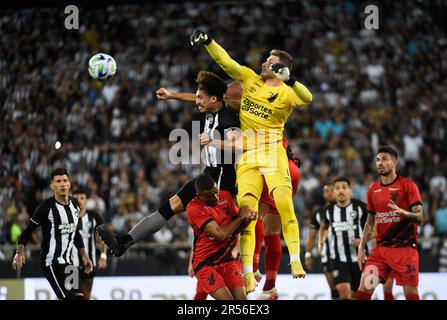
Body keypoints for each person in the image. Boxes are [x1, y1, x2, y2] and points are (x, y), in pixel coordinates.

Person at [191, 29, 312, 292]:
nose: (263, 62)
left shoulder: (288, 92)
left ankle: (296, 261)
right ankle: (248, 273)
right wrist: (209, 41)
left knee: (284, 205)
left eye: (269, 60)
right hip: (247, 156)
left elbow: (307, 98)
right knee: (247, 213)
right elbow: (226, 63)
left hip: (272, 152)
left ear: (281, 67)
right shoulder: (250, 79)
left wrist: (289, 81)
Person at [97, 71, 241, 256]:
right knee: (169, 206)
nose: (197, 101)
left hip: (222, 182)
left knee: (217, 234)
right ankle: (123, 243)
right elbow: (194, 97)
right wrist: (172, 95)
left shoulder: (227, 117)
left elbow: (238, 145)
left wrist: (212, 141)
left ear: (214, 99)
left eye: (201, 98)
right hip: (209, 174)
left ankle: (236, 268)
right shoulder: (213, 106)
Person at [12, 168, 93, 300]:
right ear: (52, 186)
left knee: (79, 297)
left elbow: (75, 232)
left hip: (69, 263)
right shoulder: (45, 208)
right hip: (51, 263)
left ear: (69, 184)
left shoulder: (75, 205)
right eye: (58, 181)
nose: (62, 184)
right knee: (69, 298)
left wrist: (84, 255)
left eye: (65, 181)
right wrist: (19, 252)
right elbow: (26, 233)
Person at [356, 146, 424, 300]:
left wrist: (404, 213)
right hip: (381, 251)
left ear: (395, 163)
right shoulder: (373, 190)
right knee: (362, 292)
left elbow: (420, 218)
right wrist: (362, 246)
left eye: (385, 159)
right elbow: (370, 221)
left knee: (411, 295)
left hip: (405, 250)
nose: (380, 162)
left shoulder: (408, 186)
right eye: (378, 159)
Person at [186, 174, 257, 300]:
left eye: (216, 192)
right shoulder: (194, 208)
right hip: (206, 264)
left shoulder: (225, 196)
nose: (215, 197)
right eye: (210, 196)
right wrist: (241, 217)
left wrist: (247, 219)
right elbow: (220, 234)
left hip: (228, 260)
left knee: (242, 299)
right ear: (199, 195)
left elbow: (235, 229)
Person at [318, 177, 367, 299]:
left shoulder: (361, 207)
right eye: (337, 188)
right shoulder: (329, 210)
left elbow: (376, 227)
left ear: (350, 190)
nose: (341, 191)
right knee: (344, 293)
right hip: (338, 260)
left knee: (357, 296)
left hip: (360, 259)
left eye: (344, 188)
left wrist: (363, 240)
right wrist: (320, 242)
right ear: (334, 192)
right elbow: (324, 227)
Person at [71, 189, 108, 300]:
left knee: (86, 296)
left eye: (82, 198)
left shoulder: (95, 217)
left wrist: (103, 256)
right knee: (73, 296)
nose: (79, 201)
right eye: (76, 198)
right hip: (70, 264)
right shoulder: (65, 217)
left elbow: (102, 238)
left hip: (89, 264)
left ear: (86, 200)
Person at [305, 182, 339, 299]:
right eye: (326, 191)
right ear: (323, 194)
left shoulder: (347, 207)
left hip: (347, 255)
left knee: (347, 289)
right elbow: (312, 236)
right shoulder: (318, 213)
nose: (329, 193)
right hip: (327, 255)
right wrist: (308, 253)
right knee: (334, 290)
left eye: (332, 190)